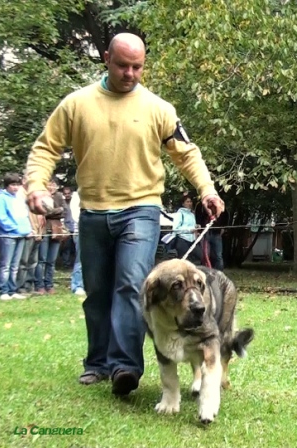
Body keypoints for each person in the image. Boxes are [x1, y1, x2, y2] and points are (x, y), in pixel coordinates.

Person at [25, 33, 225, 395]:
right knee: (97, 290)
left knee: (133, 286)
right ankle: (97, 363)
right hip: (93, 211)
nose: (130, 73)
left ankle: (124, 367)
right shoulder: (77, 104)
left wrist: (207, 190)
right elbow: (45, 148)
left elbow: (187, 153)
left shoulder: (158, 108)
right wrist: (36, 186)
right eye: (122, 65)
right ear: (106, 58)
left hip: (141, 208)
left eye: (137, 66)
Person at [0, 173, 32, 300]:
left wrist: (27, 229)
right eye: (13, 185)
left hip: (21, 235)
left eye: (17, 185)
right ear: (7, 185)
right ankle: (3, 291)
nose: (16, 187)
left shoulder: (18, 198)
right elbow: (2, 218)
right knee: (5, 265)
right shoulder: (2, 198)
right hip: (8, 235)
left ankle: (13, 290)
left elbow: (23, 216)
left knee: (15, 265)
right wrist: (15, 229)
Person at [34, 178, 66, 295]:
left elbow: (65, 211)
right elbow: (41, 212)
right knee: (41, 259)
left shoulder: (58, 196)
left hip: (56, 231)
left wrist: (53, 210)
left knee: (51, 261)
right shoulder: (40, 196)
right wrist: (56, 211)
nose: (51, 187)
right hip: (43, 230)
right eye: (49, 185)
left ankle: (49, 284)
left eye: (54, 185)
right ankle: (39, 285)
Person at [16, 174, 46, 294]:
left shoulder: (33, 194)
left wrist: (39, 232)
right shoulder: (20, 195)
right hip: (27, 232)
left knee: (33, 262)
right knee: (23, 262)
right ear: (23, 180)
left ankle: (29, 286)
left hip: (38, 232)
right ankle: (20, 287)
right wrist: (29, 229)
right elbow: (22, 215)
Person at [195, 201, 229, 271]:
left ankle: (219, 273)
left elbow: (225, 215)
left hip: (216, 233)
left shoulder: (219, 203)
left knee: (218, 256)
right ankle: (205, 272)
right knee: (205, 255)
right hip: (204, 233)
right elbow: (197, 217)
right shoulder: (201, 205)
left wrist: (223, 228)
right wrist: (199, 230)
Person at [173, 193, 202, 263]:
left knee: (201, 256)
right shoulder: (179, 214)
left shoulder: (192, 214)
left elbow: (192, 226)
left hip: (193, 240)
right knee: (184, 262)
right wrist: (189, 230)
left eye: (190, 201)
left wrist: (196, 226)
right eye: (187, 202)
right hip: (182, 240)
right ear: (183, 204)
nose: (189, 203)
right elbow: (175, 229)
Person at [70, 191, 85, 296]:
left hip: (96, 231)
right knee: (80, 260)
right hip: (81, 232)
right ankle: (77, 285)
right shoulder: (77, 195)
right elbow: (76, 215)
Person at [60, 186, 75, 269]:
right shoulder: (62, 203)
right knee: (66, 247)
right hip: (66, 227)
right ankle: (66, 263)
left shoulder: (75, 202)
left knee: (75, 247)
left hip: (75, 227)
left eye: (68, 193)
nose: (67, 195)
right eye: (65, 194)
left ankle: (74, 263)